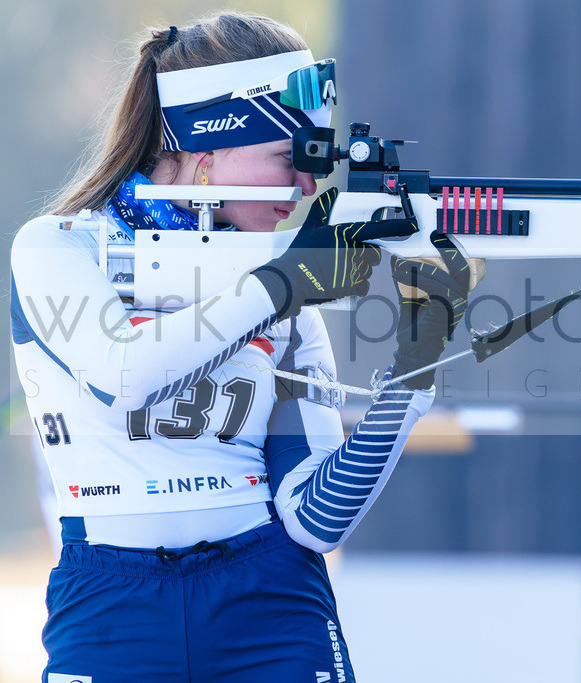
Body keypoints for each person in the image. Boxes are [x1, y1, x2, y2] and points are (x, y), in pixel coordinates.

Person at [10, 11, 470, 681]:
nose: (308, 188)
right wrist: (282, 282)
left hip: (269, 600)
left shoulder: (283, 295)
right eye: (291, 158)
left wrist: (414, 370)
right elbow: (123, 374)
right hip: (111, 604)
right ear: (207, 151)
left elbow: (317, 518)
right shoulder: (57, 246)